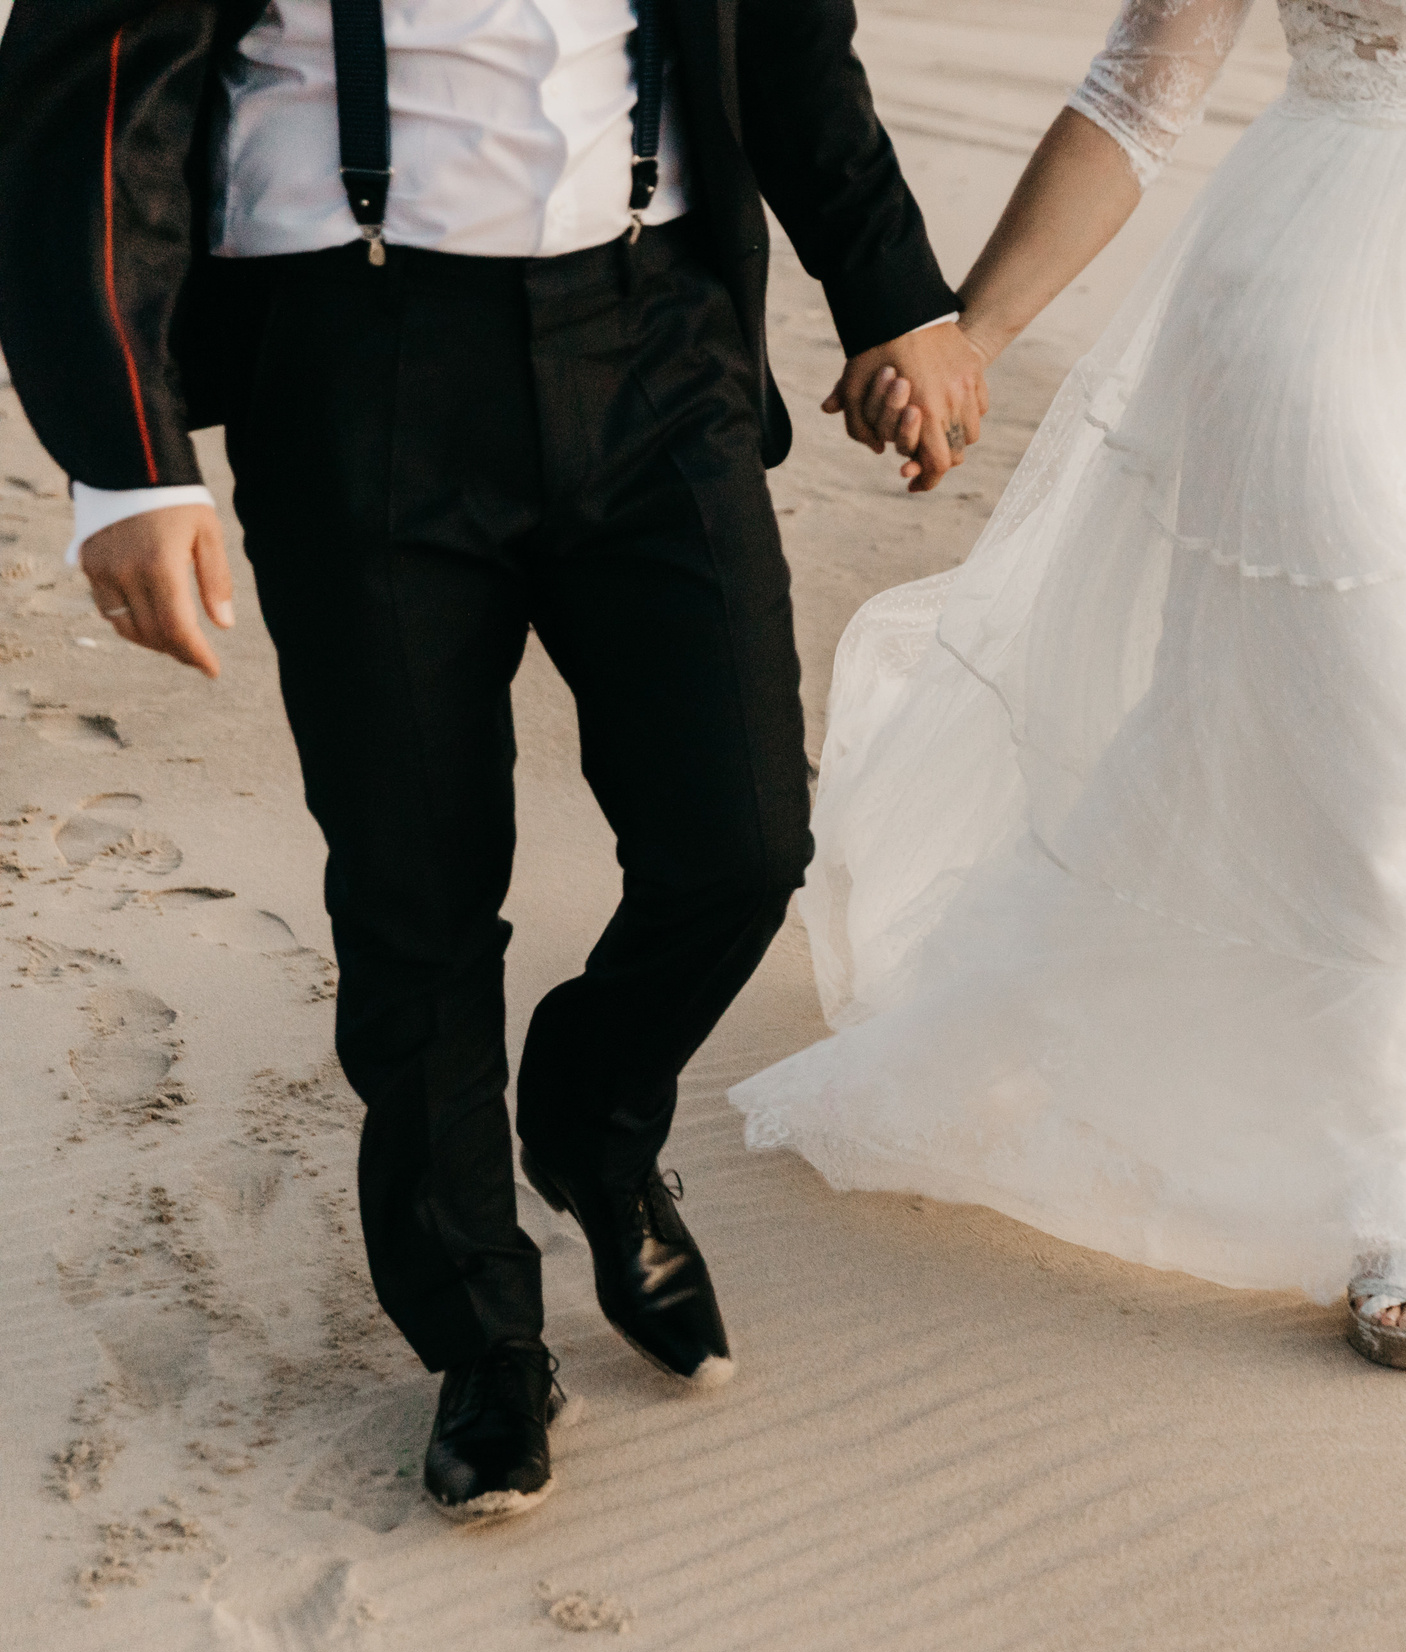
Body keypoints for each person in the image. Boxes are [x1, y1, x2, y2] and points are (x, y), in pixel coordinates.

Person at [0, 0, 988, 1520]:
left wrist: (892, 291)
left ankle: (593, 1117)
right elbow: (88, 97)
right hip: (352, 351)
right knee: (417, 885)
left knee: (741, 838)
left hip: (656, 331)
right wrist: (124, 458)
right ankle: (482, 1336)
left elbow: (782, 32)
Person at [731, 0, 1406, 1371]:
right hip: (1317, 285)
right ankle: (1393, 1202)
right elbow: (1134, 101)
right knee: (1396, 726)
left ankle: (1069, 995)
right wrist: (972, 332)